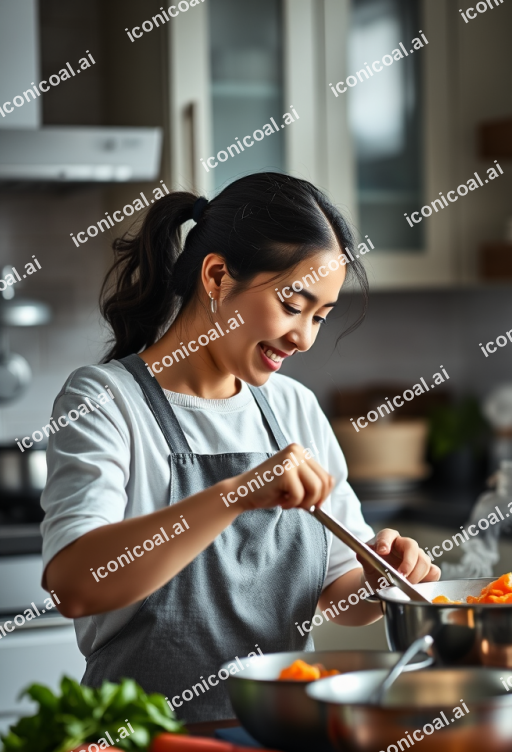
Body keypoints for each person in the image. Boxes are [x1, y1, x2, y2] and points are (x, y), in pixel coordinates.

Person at [41, 172, 439, 722]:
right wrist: (234, 495)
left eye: (321, 316)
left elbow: (335, 590)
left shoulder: (292, 408)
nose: (305, 338)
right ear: (218, 276)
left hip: (279, 735)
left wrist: (380, 580)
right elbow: (75, 586)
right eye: (294, 303)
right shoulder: (107, 401)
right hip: (139, 747)